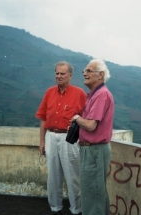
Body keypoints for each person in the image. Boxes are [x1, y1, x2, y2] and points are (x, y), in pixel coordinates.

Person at [36, 61, 86, 215]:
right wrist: (42, 141)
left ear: (70, 75)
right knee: (53, 175)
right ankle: (55, 208)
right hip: (51, 136)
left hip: (69, 138)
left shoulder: (79, 94)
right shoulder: (49, 92)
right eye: (57, 73)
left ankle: (76, 209)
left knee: (73, 176)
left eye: (62, 73)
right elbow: (43, 118)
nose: (59, 76)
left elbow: (87, 118)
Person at [72, 59, 114, 215]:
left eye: (89, 71)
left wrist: (76, 118)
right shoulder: (94, 95)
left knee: (93, 194)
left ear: (100, 75)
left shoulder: (101, 95)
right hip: (91, 150)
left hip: (94, 151)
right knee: (95, 193)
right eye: (85, 70)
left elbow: (90, 125)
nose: (84, 73)